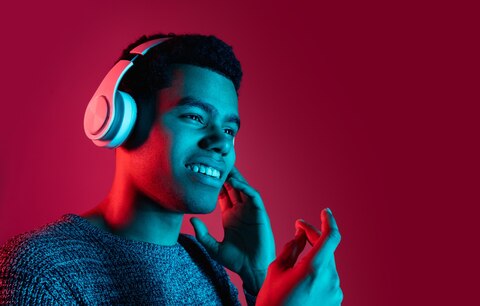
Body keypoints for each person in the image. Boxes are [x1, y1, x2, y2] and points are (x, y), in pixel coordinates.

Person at [0, 33, 343, 305]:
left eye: (229, 130)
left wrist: (257, 281)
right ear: (121, 119)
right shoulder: (39, 270)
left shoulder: (203, 263)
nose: (222, 143)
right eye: (195, 117)